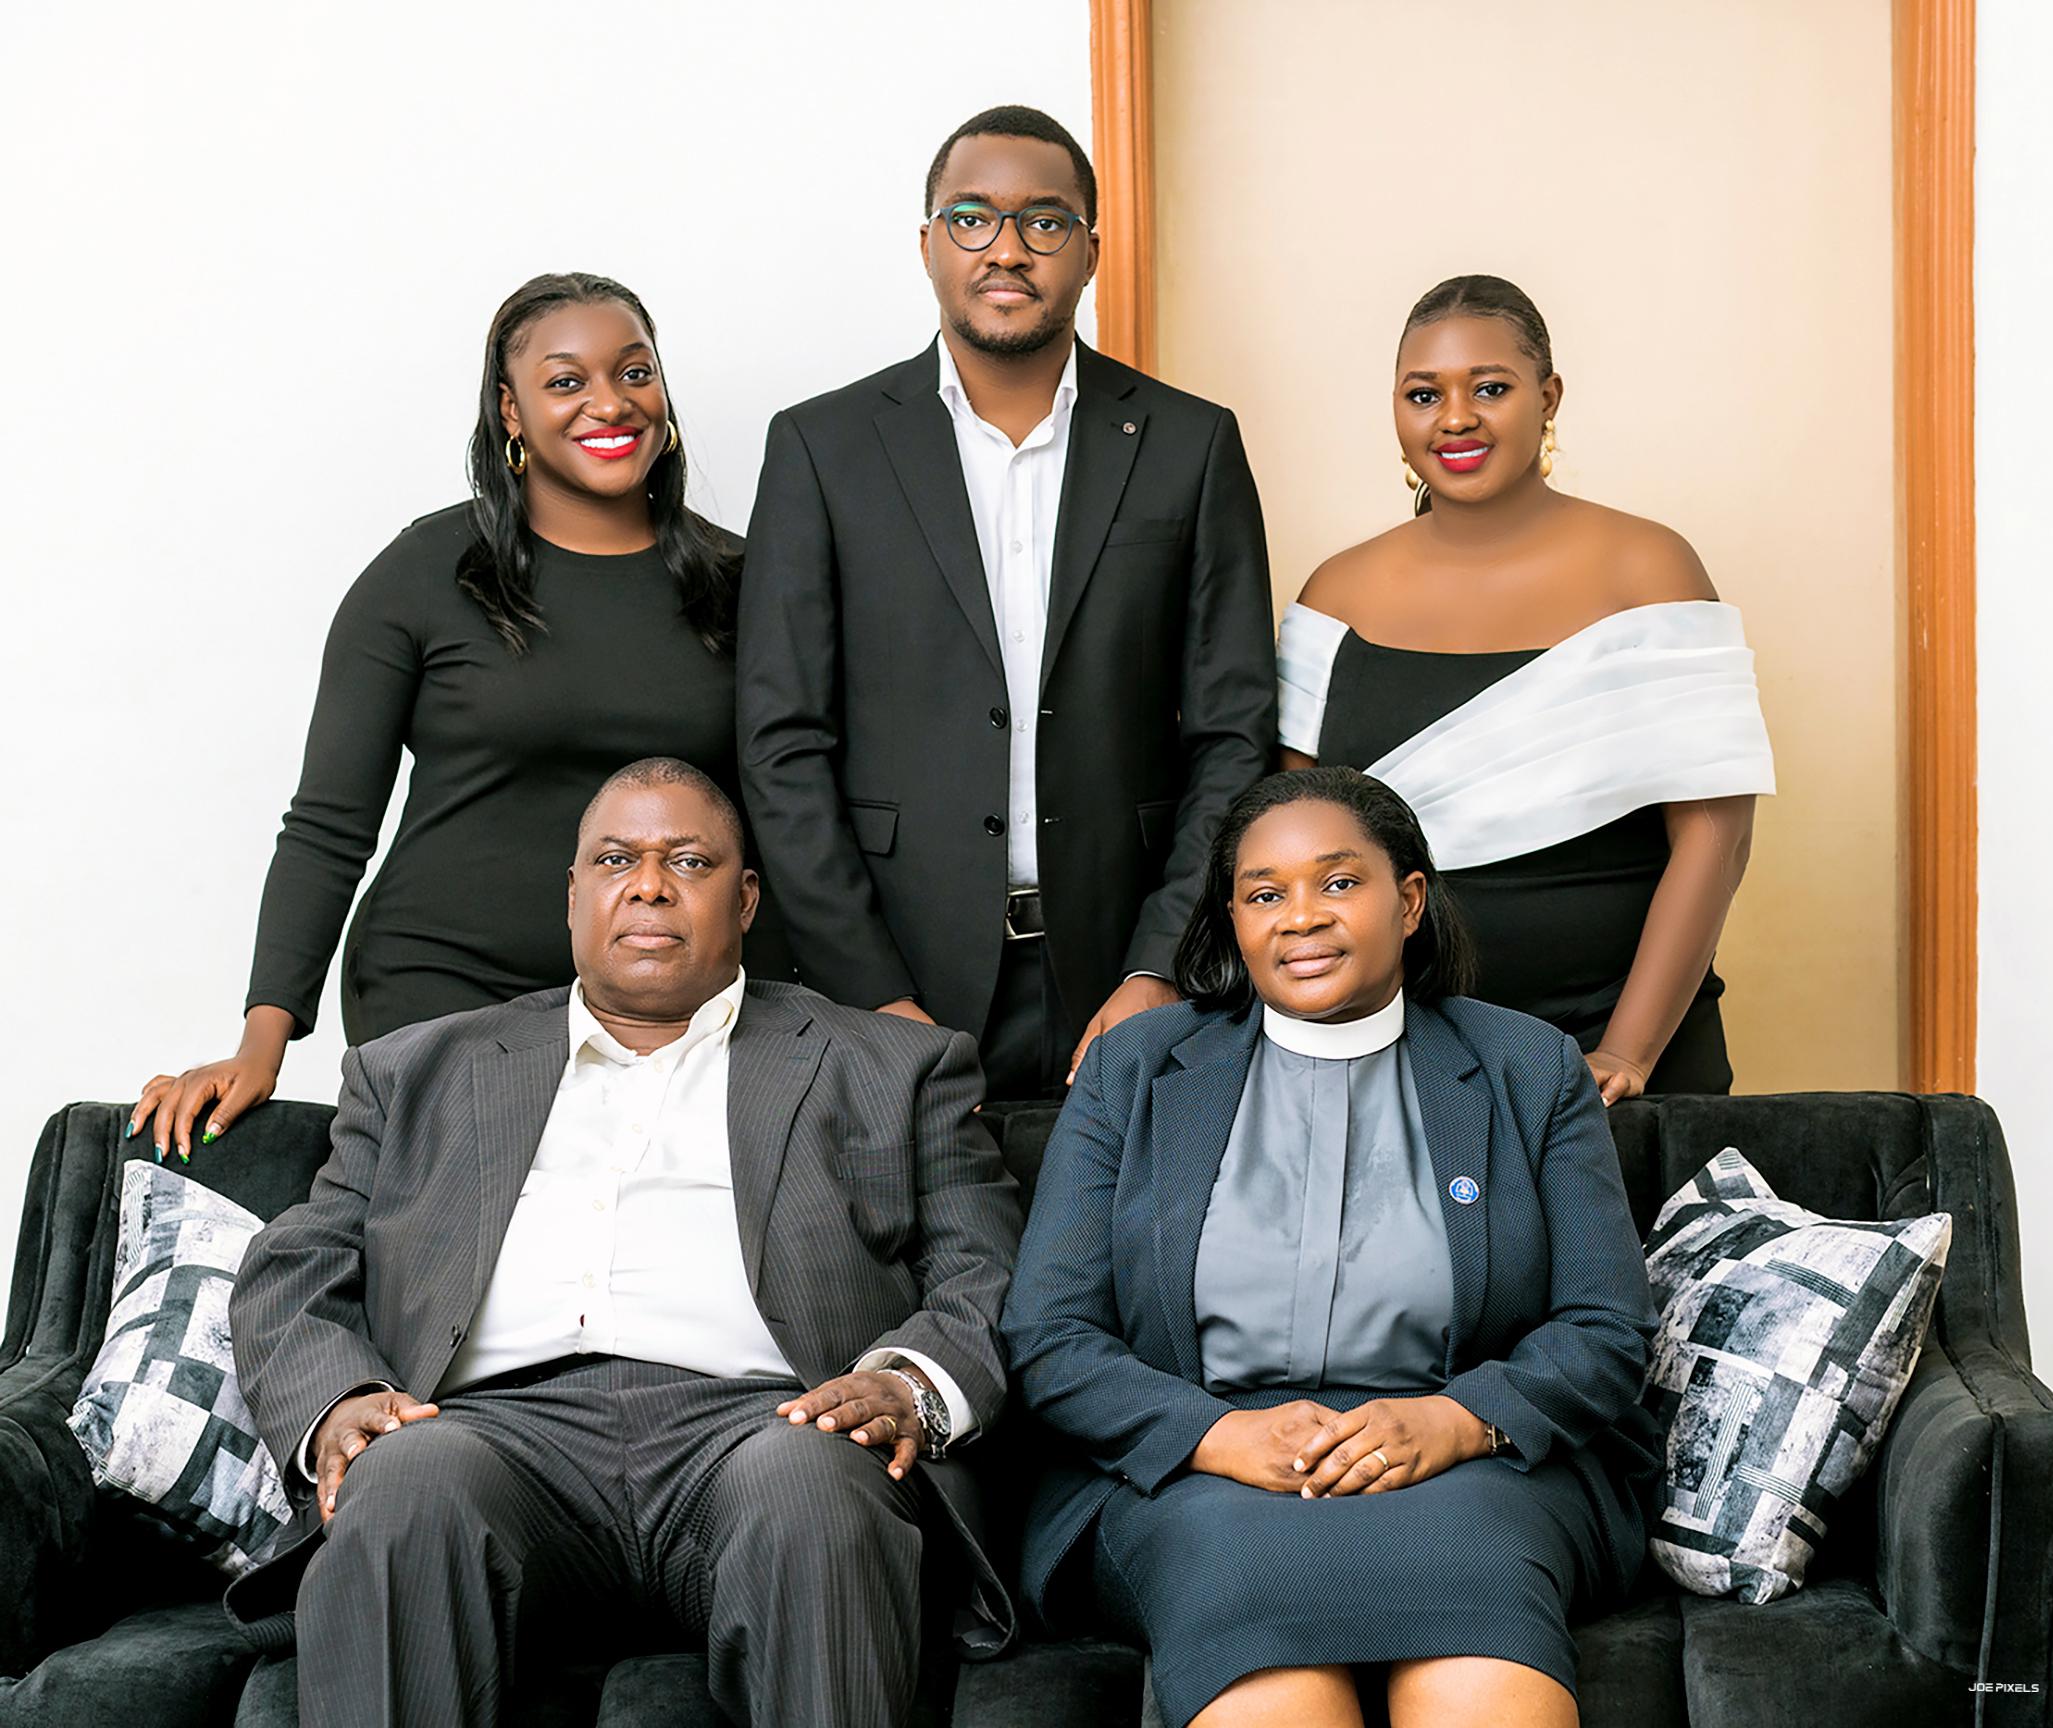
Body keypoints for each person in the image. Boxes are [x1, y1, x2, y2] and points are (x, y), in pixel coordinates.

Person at [224, 758, 1022, 1728]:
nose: (649, 883)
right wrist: (341, 1401)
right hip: (492, 1441)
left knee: (814, 1491)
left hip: (765, 1431)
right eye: (616, 860)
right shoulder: (416, 1070)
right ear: (574, 897)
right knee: (404, 1487)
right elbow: (295, 1265)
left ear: (747, 900)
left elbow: (984, 1268)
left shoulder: (893, 1067)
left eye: (688, 860)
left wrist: (906, 1385)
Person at [1002, 767, 1661, 1728]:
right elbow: (1050, 1336)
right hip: (1197, 1479)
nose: (1299, 918)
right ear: (1231, 920)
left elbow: (1606, 1328)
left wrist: (1453, 1422)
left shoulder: (1528, 1066)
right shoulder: (1134, 1070)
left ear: (1410, 900)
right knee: (1254, 1634)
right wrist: (1221, 1437)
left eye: (1339, 882)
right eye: (1264, 894)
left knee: (1478, 1667)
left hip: (1473, 1474)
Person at [132, 272, 788, 1162]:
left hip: (668, 1002)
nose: (610, 402)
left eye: (634, 372)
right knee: (469, 1267)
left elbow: (793, 818)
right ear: (510, 411)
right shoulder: (425, 572)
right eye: (566, 381)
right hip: (442, 989)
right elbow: (328, 826)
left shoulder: (744, 585)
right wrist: (265, 1040)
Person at [737, 104, 1276, 1104]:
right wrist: (872, 991)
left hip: (1125, 975)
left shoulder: (1188, 444)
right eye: (973, 217)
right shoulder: (824, 448)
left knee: (1122, 1260)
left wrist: (1161, 963)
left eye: (1046, 221)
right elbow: (782, 741)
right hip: (898, 979)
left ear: (1091, 251)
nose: (1008, 248)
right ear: (929, 244)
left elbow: (1233, 735)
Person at [1278, 276, 1774, 1100]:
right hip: (1398, 1053)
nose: (1457, 418)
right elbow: (1300, 847)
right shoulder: (1333, 596)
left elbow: (1717, 835)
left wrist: (1628, 1053)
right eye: (1424, 393)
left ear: (1548, 398)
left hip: (1622, 1048)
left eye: (1492, 388)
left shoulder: (1648, 568)